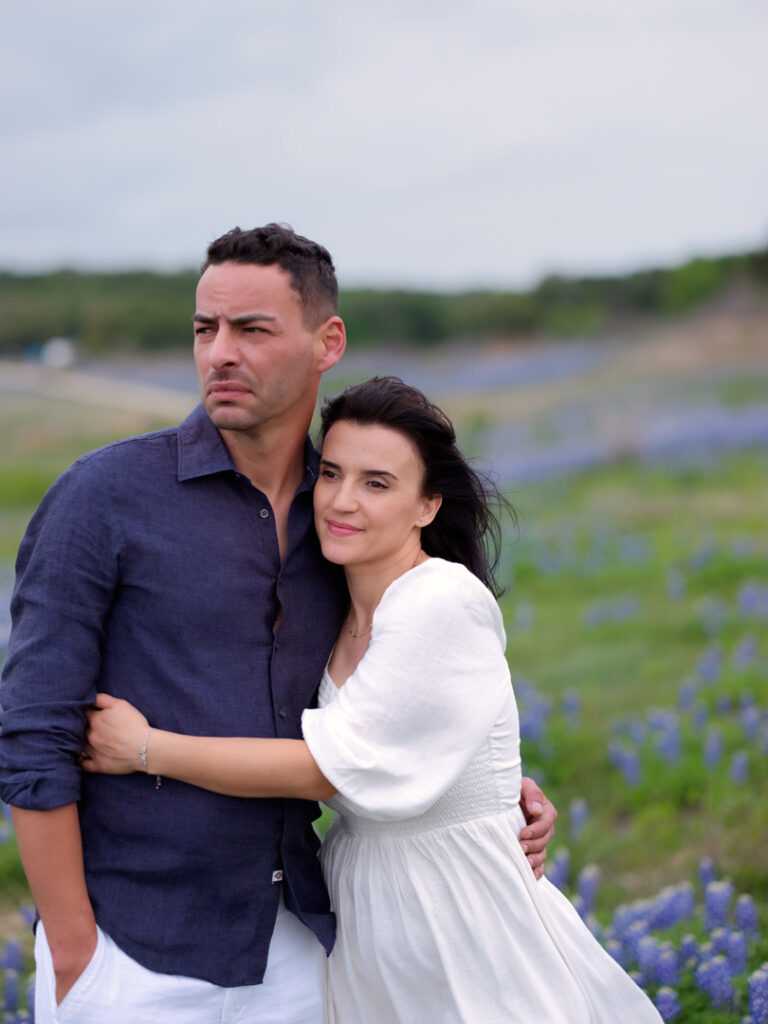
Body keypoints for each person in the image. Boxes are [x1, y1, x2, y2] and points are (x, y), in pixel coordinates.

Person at [0, 225, 556, 1024]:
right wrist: (74, 950)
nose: (220, 353)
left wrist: (482, 787)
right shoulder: (105, 497)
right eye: (205, 329)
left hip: (298, 948)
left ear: (327, 341)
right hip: (133, 952)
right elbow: (33, 733)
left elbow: (401, 695)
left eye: (252, 330)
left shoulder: (344, 519)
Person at [83, 376, 663, 1024]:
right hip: (366, 913)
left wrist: (146, 749)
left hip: (460, 912)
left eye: (377, 484)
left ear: (427, 506)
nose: (342, 501)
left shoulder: (440, 599)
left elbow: (326, 767)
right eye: (331, 474)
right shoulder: (327, 610)